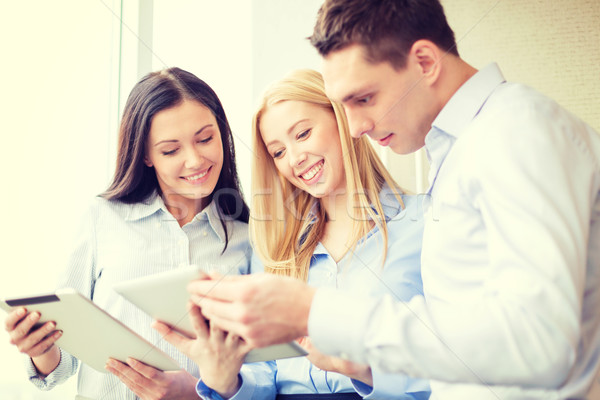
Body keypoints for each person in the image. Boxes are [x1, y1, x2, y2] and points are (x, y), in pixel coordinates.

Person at [181, 0, 600, 399]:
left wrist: (318, 313)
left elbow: (542, 341)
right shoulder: (458, 152)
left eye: (364, 99)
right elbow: (473, 339)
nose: (357, 127)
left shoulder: (515, 132)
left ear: (424, 62)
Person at [155, 69, 430, 399]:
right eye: (278, 152)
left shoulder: (423, 223)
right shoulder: (274, 247)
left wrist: (364, 369)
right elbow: (263, 372)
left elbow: (461, 359)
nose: (295, 160)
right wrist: (226, 381)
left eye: (302, 134)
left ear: (343, 119)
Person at [3, 67, 252, 399]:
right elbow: (62, 365)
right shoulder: (102, 218)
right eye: (170, 150)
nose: (194, 160)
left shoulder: (249, 239)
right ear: (146, 155)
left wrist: (194, 391)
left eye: (205, 138)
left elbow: (260, 373)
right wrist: (40, 347)